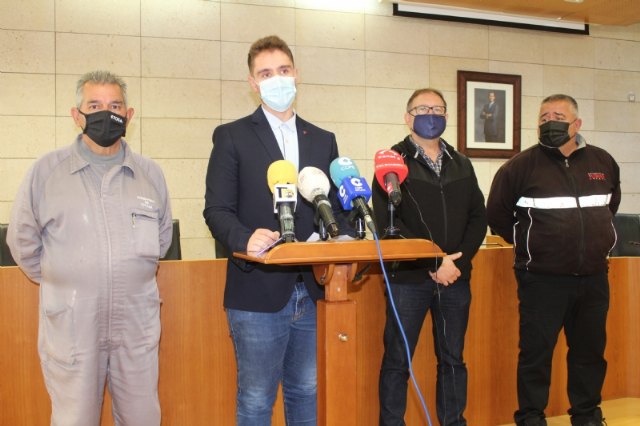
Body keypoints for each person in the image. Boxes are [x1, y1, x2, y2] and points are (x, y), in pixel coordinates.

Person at [7, 70, 173, 426]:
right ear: (77, 115)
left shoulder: (150, 174)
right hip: (73, 326)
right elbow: (22, 243)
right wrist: (66, 279)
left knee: (143, 418)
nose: (106, 113)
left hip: (136, 326)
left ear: (129, 115)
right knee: (74, 419)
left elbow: (161, 241)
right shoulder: (46, 172)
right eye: (94, 106)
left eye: (115, 106)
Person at [203, 35, 349, 425]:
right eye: (266, 73)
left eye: (283, 70)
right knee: (256, 399)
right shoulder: (232, 136)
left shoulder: (323, 139)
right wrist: (243, 238)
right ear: (252, 83)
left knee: (307, 391)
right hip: (257, 288)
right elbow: (216, 210)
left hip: (314, 287)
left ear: (296, 74)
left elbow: (334, 207)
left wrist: (345, 235)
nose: (277, 79)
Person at [486, 94, 620, 426]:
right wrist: (531, 244)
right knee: (536, 355)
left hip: (593, 277)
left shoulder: (603, 162)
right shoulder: (519, 167)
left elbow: (609, 207)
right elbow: (498, 216)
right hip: (541, 279)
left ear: (577, 124)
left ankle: (587, 416)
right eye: (544, 118)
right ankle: (531, 418)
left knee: (589, 353)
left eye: (558, 116)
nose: (550, 122)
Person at [373, 88, 487, 426]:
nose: (431, 115)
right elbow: (387, 223)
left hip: (455, 280)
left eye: (437, 109)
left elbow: (478, 217)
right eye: (422, 109)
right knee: (397, 360)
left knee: (453, 360)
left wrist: (456, 264)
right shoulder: (391, 163)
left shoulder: (461, 163)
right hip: (408, 280)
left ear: (447, 116)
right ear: (408, 118)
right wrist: (433, 261)